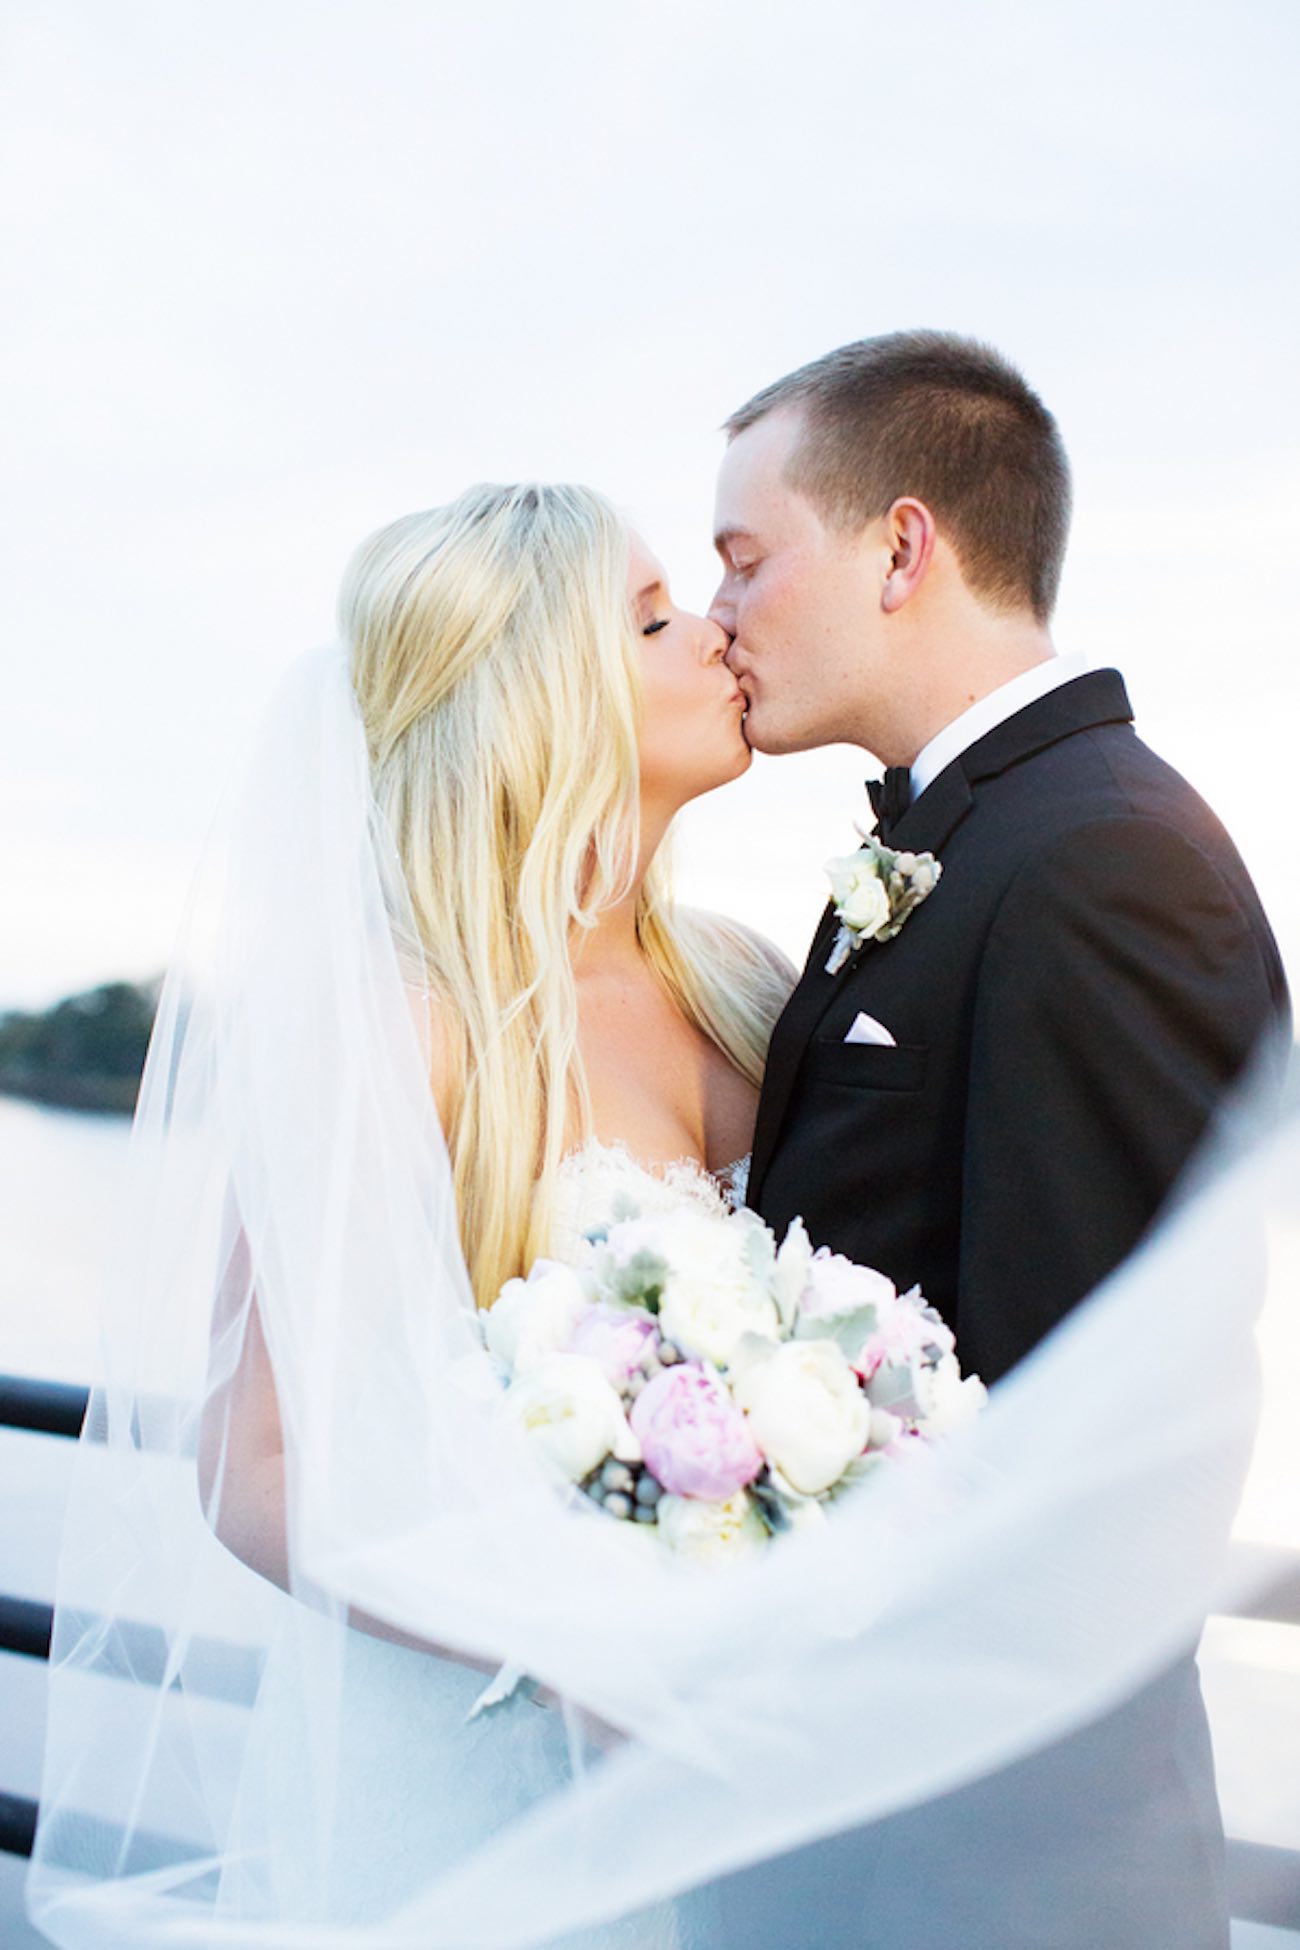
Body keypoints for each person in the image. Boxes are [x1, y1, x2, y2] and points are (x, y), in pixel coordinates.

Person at [26, 473, 1286, 1950]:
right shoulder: (410, 1027)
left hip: (779, 1802)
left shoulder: (748, 983)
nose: (714, 634)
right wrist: (584, 1641)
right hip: (505, 1783)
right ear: (536, 695)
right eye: (650, 618)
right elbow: (254, 1468)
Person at [698, 330, 1291, 1948]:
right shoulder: (966, 835)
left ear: (902, 546)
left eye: (747, 559)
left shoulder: (1107, 860)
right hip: (850, 1826)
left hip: (987, 1870)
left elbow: (1103, 1451)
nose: (723, 614)